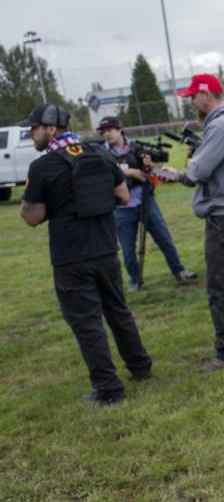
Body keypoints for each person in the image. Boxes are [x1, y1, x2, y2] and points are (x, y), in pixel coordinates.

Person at [18, 104, 152, 405]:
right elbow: (123, 195)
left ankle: (108, 388)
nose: (31, 134)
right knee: (118, 312)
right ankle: (140, 366)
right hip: (106, 249)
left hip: (71, 257)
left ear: (51, 129)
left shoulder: (43, 166)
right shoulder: (100, 154)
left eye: (35, 129)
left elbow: (31, 216)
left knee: (86, 323)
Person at [166, 73, 224, 372]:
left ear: (207, 95)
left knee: (221, 285)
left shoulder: (220, 125)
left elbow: (198, 171)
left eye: (194, 96)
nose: (191, 102)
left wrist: (182, 170)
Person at [96, 116, 198, 290]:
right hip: (122, 207)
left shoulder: (137, 146)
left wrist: (149, 165)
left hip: (145, 200)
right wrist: (133, 172)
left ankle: (179, 272)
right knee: (128, 249)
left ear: (120, 130)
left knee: (164, 239)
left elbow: (149, 168)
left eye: (110, 130)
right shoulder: (101, 152)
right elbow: (107, 168)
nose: (107, 134)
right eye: (104, 132)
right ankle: (135, 281)